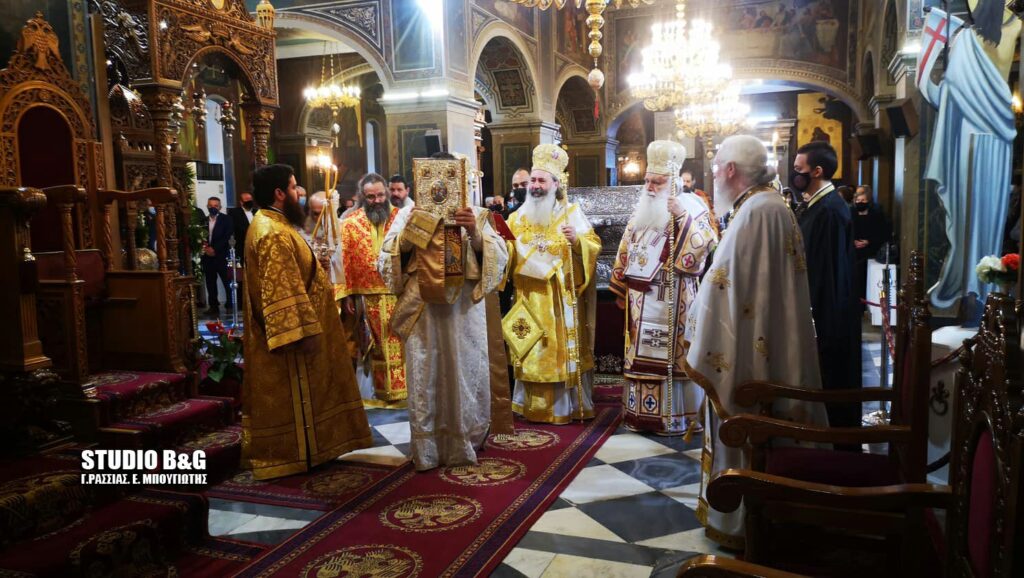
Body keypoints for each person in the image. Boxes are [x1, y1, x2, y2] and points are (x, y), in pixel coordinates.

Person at [685, 135, 828, 549]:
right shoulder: (767, 205)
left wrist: (693, 327)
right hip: (766, 336)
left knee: (744, 421)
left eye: (716, 167)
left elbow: (721, 287)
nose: (713, 175)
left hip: (750, 353)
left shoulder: (756, 213)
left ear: (731, 170)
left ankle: (747, 521)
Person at [378, 154, 512, 471]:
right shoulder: (407, 214)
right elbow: (385, 259)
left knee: (465, 370)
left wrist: (475, 233)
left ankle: (467, 439)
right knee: (425, 372)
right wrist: (411, 234)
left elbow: (501, 258)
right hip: (423, 311)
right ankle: (427, 448)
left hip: (463, 311)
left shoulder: (474, 214)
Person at [241, 163, 371, 480]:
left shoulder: (277, 224)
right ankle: (294, 453)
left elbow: (294, 273)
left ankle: (314, 450)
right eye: (294, 187)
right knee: (293, 394)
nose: (298, 193)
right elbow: (280, 288)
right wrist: (300, 332)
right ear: (279, 193)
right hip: (294, 338)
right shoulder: (271, 231)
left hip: (309, 325)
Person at [611, 141, 718, 436]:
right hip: (639, 299)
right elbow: (626, 247)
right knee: (640, 351)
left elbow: (704, 248)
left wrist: (682, 217)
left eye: (657, 182)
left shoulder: (692, 206)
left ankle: (676, 416)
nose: (650, 187)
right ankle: (638, 414)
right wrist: (620, 287)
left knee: (672, 354)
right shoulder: (641, 210)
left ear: (673, 182)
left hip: (674, 296)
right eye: (647, 180)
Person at [506, 144, 601, 424]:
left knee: (557, 352)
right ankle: (529, 404)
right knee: (530, 348)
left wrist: (577, 241)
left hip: (560, 300)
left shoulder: (571, 212)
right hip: (528, 297)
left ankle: (563, 407)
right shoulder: (516, 217)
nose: (535, 186)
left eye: (541, 181)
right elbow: (505, 252)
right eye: (533, 180)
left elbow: (593, 246)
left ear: (556, 184)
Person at [792, 141, 862, 438]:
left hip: (828, 316)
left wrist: (815, 322)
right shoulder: (818, 206)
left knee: (832, 382)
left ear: (817, 171)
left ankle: (835, 444)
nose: (795, 174)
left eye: (799, 169)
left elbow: (826, 274)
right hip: (823, 310)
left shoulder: (829, 211)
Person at [339, 173, 407, 408]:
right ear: (362, 197)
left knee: (399, 343)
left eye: (380, 195)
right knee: (372, 344)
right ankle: (376, 393)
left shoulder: (400, 219)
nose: (376, 201)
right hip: (366, 297)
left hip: (398, 294)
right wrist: (347, 294)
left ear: (386, 193)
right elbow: (344, 260)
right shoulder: (350, 222)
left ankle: (403, 392)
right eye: (370, 197)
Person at [852, 187, 892, 309]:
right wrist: (853, 241)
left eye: (863, 200)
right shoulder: (850, 213)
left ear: (868, 201)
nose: (860, 203)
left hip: (871, 252)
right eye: (858, 200)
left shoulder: (877, 215)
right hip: (853, 252)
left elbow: (883, 233)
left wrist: (868, 241)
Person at [301, 191, 346, 299]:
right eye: (316, 214)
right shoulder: (302, 233)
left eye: (324, 213)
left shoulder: (345, 228)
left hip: (340, 291)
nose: (320, 218)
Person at [202, 196, 234, 316]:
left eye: (216, 206)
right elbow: (200, 236)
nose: (213, 208)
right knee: (210, 282)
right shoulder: (203, 220)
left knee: (227, 281)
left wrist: (214, 249)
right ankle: (213, 306)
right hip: (207, 256)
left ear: (220, 207)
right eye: (211, 206)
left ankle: (230, 305)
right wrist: (206, 248)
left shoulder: (227, 219)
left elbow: (227, 236)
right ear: (207, 207)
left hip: (221, 255)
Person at [227, 192, 257, 266]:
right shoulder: (234, 212)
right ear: (241, 202)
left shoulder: (257, 212)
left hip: (256, 245)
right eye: (247, 199)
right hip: (242, 245)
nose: (249, 201)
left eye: (250, 199)